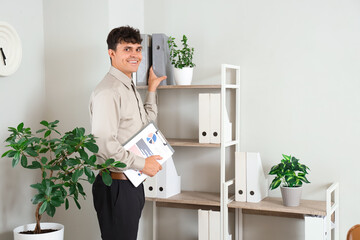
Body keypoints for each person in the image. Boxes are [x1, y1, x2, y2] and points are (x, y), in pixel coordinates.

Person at [89, 26, 166, 240]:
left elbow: (144, 125)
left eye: (138, 49)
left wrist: (151, 89)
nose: (135, 55)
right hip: (116, 185)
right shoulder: (109, 91)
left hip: (130, 184)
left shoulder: (127, 87)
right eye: (127, 49)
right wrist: (144, 164)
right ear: (111, 53)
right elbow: (104, 146)